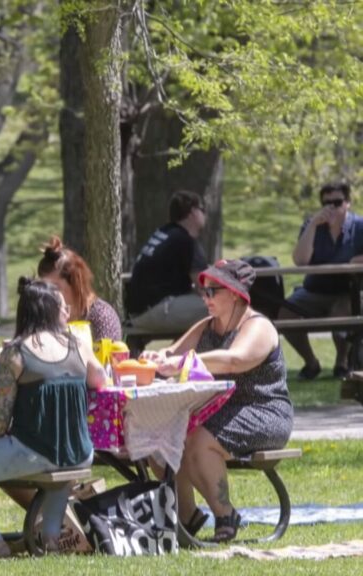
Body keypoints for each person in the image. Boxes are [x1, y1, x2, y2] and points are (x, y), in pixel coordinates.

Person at [0, 278, 107, 557]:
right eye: (62, 307)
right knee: (54, 461)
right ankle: (51, 539)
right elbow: (100, 378)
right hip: (80, 452)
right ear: (49, 310)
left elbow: (0, 423)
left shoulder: (16, 352)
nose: (67, 312)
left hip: (36, 452)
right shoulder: (77, 345)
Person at [141, 259, 293, 542]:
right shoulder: (207, 326)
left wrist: (183, 362)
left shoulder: (258, 326)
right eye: (203, 291)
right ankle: (186, 516)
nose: (205, 297)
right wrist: (157, 358)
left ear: (235, 293)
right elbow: (171, 352)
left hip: (264, 411)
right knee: (162, 433)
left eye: (213, 291)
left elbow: (235, 360)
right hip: (219, 411)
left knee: (198, 439)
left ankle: (225, 516)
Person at [279, 182, 363, 379]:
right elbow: (300, 260)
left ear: (348, 203)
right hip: (314, 291)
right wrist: (313, 225)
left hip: (347, 291)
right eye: (327, 203)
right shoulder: (313, 225)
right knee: (285, 314)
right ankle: (311, 362)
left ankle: (341, 362)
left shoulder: (359, 227)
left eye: (338, 202)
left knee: (340, 314)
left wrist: (357, 260)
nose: (332, 207)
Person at [126, 190, 209, 333]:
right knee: (223, 307)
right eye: (202, 209)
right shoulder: (185, 240)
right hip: (156, 310)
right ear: (193, 212)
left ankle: (183, 351)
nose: (204, 214)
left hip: (139, 311)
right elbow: (206, 285)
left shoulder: (165, 233)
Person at [38, 236, 122, 341]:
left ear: (75, 283)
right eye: (44, 287)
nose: (48, 294)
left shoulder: (102, 317)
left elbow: (107, 357)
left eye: (55, 288)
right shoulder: (46, 320)